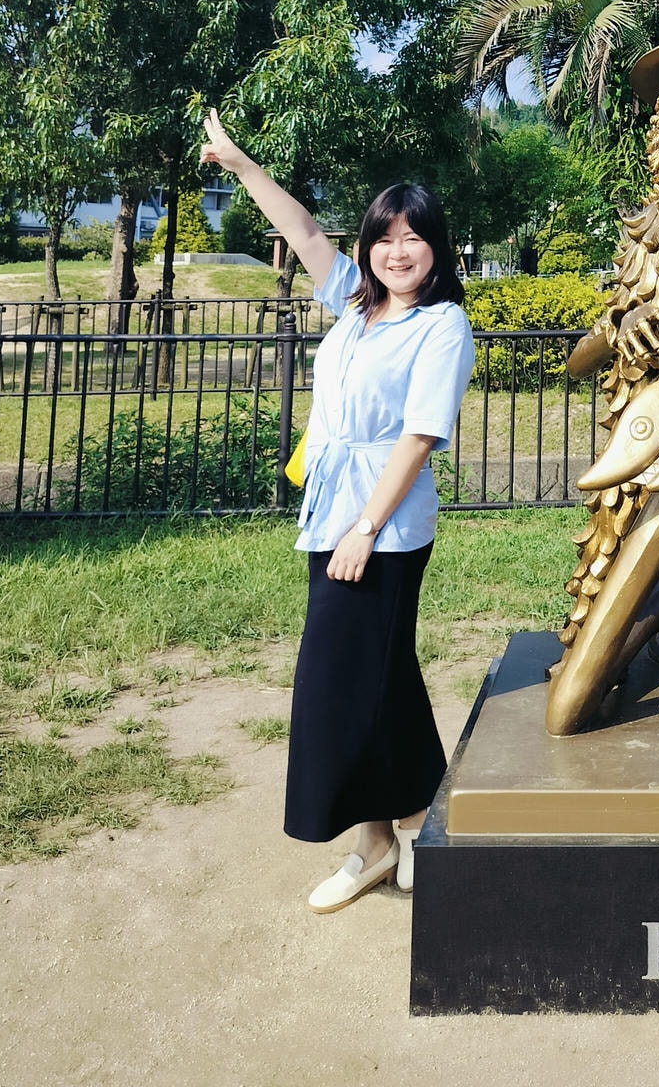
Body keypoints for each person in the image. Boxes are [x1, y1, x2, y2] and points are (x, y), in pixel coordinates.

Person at [200, 110, 475, 914]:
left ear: (435, 248)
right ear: (368, 247)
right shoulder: (356, 305)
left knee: (340, 680)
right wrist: (243, 165)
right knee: (381, 674)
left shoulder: (441, 323)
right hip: (331, 513)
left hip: (380, 527)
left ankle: (377, 842)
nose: (397, 251)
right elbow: (302, 230)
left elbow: (421, 437)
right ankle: (406, 827)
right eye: (383, 238)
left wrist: (364, 529)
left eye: (413, 238)